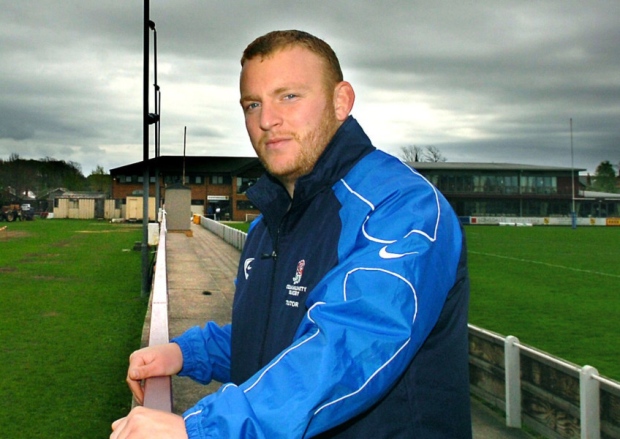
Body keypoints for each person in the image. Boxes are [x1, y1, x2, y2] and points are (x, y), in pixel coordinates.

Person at [111, 29, 471, 439]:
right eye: (253, 104)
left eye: (289, 96)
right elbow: (275, 337)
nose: (266, 120)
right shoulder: (270, 221)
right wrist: (187, 353)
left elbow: (349, 348)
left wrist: (200, 429)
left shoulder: (403, 207)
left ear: (341, 101)